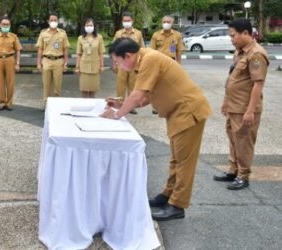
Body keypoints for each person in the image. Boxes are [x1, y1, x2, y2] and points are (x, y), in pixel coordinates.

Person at [101, 38, 211, 221]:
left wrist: (117, 113)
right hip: (178, 113)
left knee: (184, 162)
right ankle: (167, 196)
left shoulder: (149, 59)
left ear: (127, 55)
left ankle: (177, 205)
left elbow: (137, 96)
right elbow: (146, 97)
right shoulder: (143, 61)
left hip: (188, 111)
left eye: (118, 61)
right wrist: (121, 104)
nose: (118, 65)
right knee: (176, 159)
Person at [213, 19, 269, 190]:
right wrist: (225, 102)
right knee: (233, 138)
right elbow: (232, 78)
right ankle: (233, 170)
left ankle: (243, 176)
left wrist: (250, 111)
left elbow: (258, 84)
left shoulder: (256, 54)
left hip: (245, 108)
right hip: (233, 106)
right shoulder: (240, 52)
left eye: (233, 35)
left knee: (244, 141)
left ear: (245, 33)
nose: (231, 39)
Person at [149, 15, 185, 115]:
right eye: (164, 22)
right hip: (158, 63)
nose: (166, 24)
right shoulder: (156, 35)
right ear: (161, 22)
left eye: (168, 22)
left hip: (171, 63)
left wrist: (179, 65)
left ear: (172, 23)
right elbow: (151, 51)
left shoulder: (177, 35)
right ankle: (156, 107)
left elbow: (179, 51)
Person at [36, 12, 69, 109]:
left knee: (57, 85)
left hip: (58, 61)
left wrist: (65, 63)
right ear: (48, 21)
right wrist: (38, 63)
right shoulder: (43, 33)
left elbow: (65, 49)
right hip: (46, 60)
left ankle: (57, 104)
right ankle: (46, 104)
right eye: (51, 20)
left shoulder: (63, 33)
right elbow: (40, 49)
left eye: (55, 20)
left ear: (58, 21)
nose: (53, 22)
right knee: (46, 84)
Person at [112, 12, 144, 113]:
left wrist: (140, 63)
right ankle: (120, 104)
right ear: (122, 21)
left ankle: (131, 106)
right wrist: (114, 63)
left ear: (132, 21)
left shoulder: (138, 33)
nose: (126, 22)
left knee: (133, 85)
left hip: (134, 64)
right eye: (125, 21)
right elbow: (114, 49)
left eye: (128, 20)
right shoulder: (118, 34)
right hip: (121, 63)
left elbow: (142, 49)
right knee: (120, 85)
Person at [0, 15, 22, 110]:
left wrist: (17, 63)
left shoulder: (13, 36)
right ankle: (2, 102)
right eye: (3, 24)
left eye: (7, 24)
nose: (5, 26)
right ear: (0, 25)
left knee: (10, 82)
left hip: (10, 59)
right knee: (0, 83)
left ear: (10, 25)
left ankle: (9, 103)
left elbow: (18, 50)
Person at [74, 18, 104, 98]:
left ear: (94, 26)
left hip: (95, 67)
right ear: (84, 27)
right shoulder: (80, 38)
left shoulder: (99, 38)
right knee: (84, 90)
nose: (89, 27)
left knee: (92, 90)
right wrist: (77, 67)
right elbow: (78, 54)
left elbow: (101, 53)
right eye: (87, 25)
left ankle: (91, 108)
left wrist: (102, 66)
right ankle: (84, 107)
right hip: (84, 67)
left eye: (91, 25)